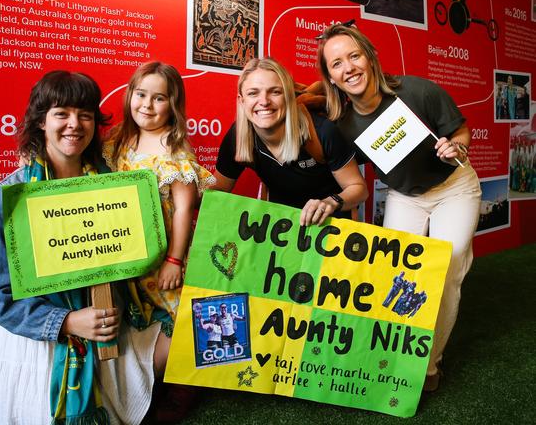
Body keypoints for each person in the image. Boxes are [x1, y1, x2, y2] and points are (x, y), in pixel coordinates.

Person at [0, 71, 169, 425]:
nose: (74, 124)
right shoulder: (11, 195)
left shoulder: (113, 182)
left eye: (85, 114)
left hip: (108, 317)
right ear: (41, 122)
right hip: (44, 337)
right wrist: (65, 321)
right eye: (61, 113)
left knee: (186, 333)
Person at [317, 21, 482, 392]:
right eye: (337, 64)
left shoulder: (418, 90)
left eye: (354, 56)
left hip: (453, 188)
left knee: (447, 268)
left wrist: (456, 146)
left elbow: (461, 132)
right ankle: (393, 355)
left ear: (371, 56)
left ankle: (428, 366)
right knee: (394, 277)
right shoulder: (342, 124)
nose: (349, 68)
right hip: (405, 197)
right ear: (331, 77)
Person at [104, 61, 215, 335]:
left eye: (159, 98)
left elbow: (183, 208)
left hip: (164, 253)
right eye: (141, 94)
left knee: (182, 324)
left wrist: (174, 261)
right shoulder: (119, 137)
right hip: (131, 253)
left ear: (172, 104)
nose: (147, 105)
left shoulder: (173, 146)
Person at [213, 57, 368, 226]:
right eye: (253, 93)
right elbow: (217, 192)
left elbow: (359, 189)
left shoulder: (321, 131)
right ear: (242, 101)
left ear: (288, 97)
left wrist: (330, 202)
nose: (264, 101)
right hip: (281, 231)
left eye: (275, 92)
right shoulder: (239, 136)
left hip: (329, 227)